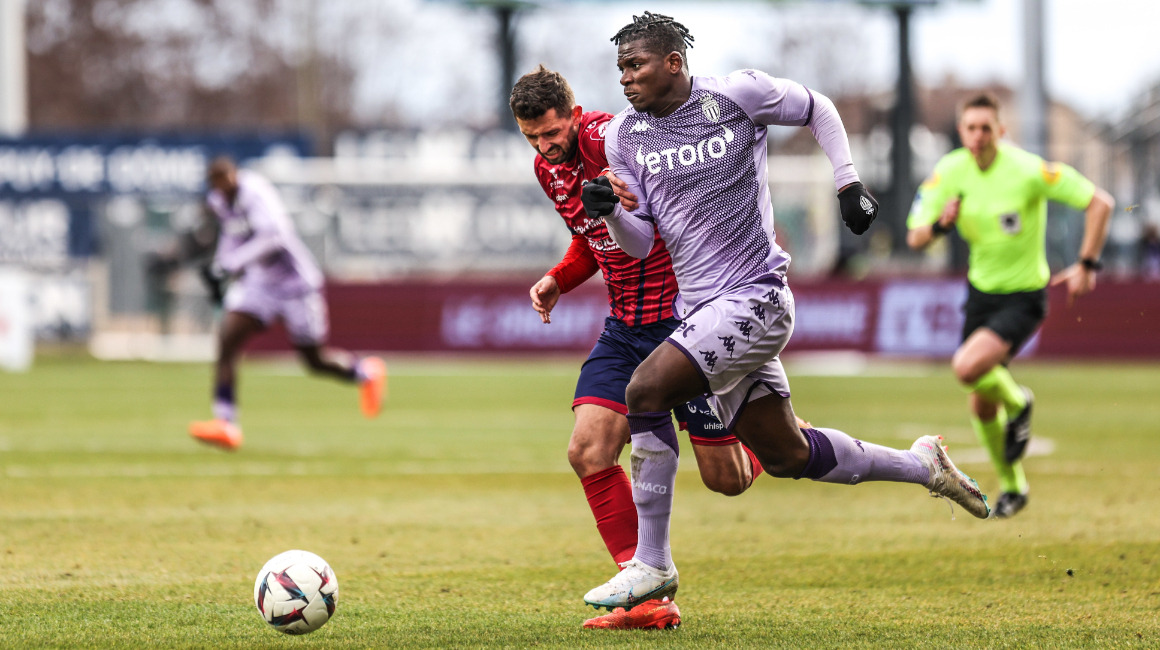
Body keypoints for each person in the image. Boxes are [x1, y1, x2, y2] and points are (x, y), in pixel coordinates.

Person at [576, 11, 991, 612]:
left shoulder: (736, 95)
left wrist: (848, 183)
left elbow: (818, 107)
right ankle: (922, 464)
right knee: (786, 454)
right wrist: (609, 212)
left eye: (635, 64)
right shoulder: (623, 137)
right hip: (702, 314)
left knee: (645, 392)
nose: (625, 78)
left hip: (755, 298)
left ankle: (653, 564)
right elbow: (641, 241)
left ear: (673, 61)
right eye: (619, 68)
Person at [512, 65, 807, 628]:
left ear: (574, 116)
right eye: (532, 139)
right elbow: (590, 240)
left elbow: (675, 215)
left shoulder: (619, 139)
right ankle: (647, 599)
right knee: (588, 451)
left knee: (729, 478)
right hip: (626, 325)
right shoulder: (546, 169)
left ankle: (776, 428)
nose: (546, 147)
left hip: (683, 322)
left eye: (552, 133)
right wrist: (558, 277)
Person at [906, 93, 1114, 518]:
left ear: (1001, 130)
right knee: (981, 402)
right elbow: (915, 236)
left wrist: (1087, 264)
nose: (978, 136)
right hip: (981, 295)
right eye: (971, 128)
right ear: (961, 132)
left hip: (1023, 296)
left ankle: (1019, 402)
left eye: (987, 128)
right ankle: (1015, 487)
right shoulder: (949, 171)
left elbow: (1101, 203)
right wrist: (942, 224)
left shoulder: (1027, 169)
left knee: (966, 368)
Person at [188, 156, 386, 450]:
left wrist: (230, 265)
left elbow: (274, 237)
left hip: (296, 285)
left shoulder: (256, 192)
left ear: (235, 176)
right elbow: (231, 237)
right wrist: (221, 266)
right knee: (227, 342)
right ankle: (226, 423)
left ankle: (365, 374)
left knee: (314, 360)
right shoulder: (219, 201)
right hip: (260, 284)